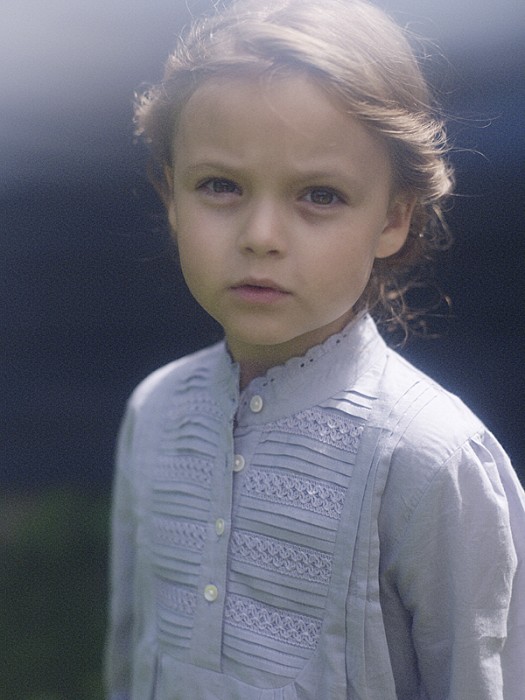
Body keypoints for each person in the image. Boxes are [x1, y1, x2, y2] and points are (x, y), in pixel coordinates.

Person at [104, 0, 525, 698]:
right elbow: (130, 655)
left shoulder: (428, 458)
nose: (261, 235)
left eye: (319, 195)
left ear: (392, 218)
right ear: (171, 196)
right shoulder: (154, 413)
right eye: (220, 186)